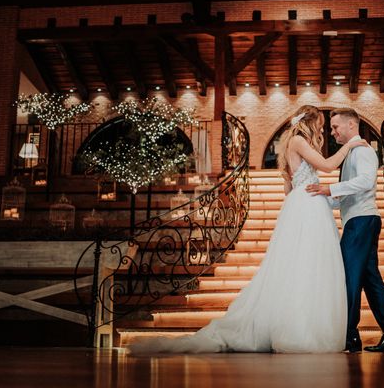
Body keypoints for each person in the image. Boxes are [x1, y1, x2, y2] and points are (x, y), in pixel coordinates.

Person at [128, 105, 366, 354]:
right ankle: (302, 330)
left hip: (302, 204)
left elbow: (289, 190)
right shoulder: (298, 140)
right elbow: (328, 166)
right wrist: (351, 145)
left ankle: (303, 325)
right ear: (310, 121)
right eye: (321, 123)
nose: (323, 129)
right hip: (308, 207)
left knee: (302, 265)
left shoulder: (291, 144)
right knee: (306, 264)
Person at [306, 108, 384, 353]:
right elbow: (347, 196)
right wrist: (319, 199)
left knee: (348, 279)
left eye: (335, 127)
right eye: (331, 128)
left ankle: (350, 335)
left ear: (352, 125)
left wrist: (330, 189)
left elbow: (364, 182)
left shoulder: (362, 150)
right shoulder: (352, 152)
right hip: (360, 219)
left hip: (362, 221)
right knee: (370, 280)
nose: (332, 132)